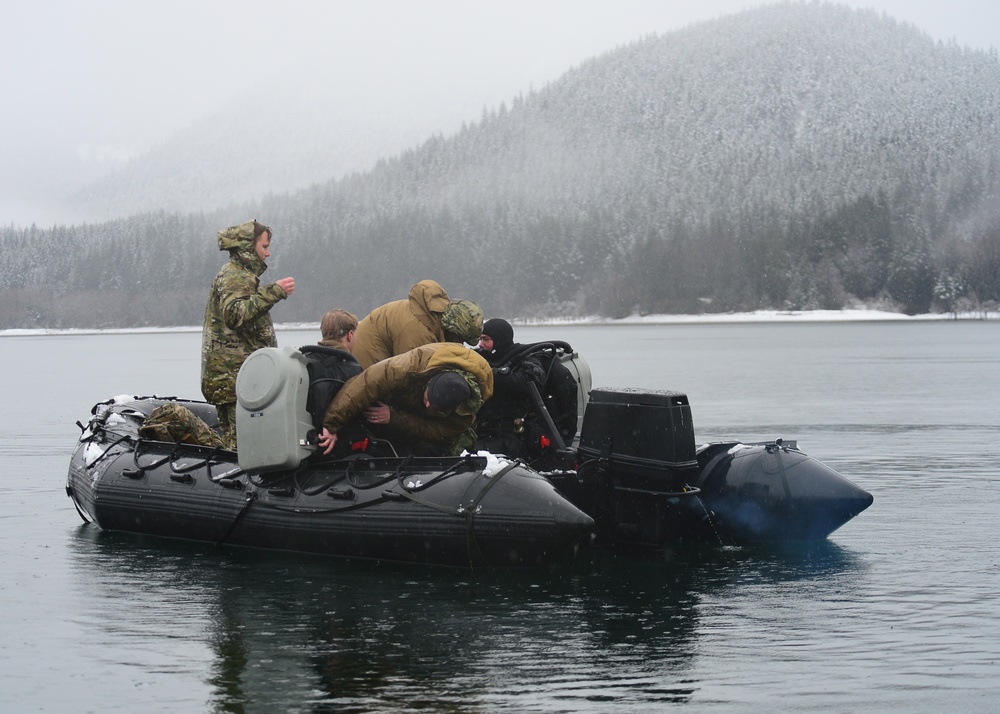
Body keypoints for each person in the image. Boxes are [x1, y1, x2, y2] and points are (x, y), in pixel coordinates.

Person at [201, 219, 295, 449]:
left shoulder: (241, 274)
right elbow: (235, 315)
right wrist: (274, 292)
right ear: (248, 247)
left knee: (241, 442)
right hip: (232, 379)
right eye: (264, 247)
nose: (268, 253)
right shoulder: (236, 275)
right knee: (241, 447)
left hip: (235, 378)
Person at [318, 342, 493, 457]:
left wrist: (393, 418)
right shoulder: (407, 367)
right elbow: (366, 383)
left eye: (434, 407)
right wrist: (331, 424)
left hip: (415, 412)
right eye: (427, 399)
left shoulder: (465, 413)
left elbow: (436, 432)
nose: (427, 405)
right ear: (428, 383)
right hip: (411, 381)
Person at [352, 279, 484, 369]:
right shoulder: (418, 332)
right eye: (461, 339)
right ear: (453, 330)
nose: (461, 345)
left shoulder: (434, 316)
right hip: (367, 361)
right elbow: (407, 378)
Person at [474, 318, 547, 459]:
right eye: (480, 339)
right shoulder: (481, 358)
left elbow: (529, 381)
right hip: (484, 430)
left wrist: (491, 374)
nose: (481, 344)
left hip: (512, 435)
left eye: (486, 339)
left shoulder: (523, 358)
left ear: (499, 340)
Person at [298, 310, 363, 440]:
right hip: (338, 445)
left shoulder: (303, 362)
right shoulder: (352, 370)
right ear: (350, 335)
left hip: (305, 440)